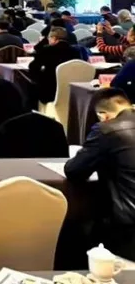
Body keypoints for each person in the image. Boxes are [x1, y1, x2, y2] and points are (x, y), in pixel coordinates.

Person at [65, 88, 135, 259]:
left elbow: (74, 171)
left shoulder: (106, 130)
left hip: (127, 227)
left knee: (75, 232)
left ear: (104, 116)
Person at [27, 26, 82, 105]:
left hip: (50, 91)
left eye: (48, 38)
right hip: (72, 91)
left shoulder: (46, 50)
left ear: (53, 38)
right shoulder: (76, 51)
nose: (48, 40)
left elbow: (33, 67)